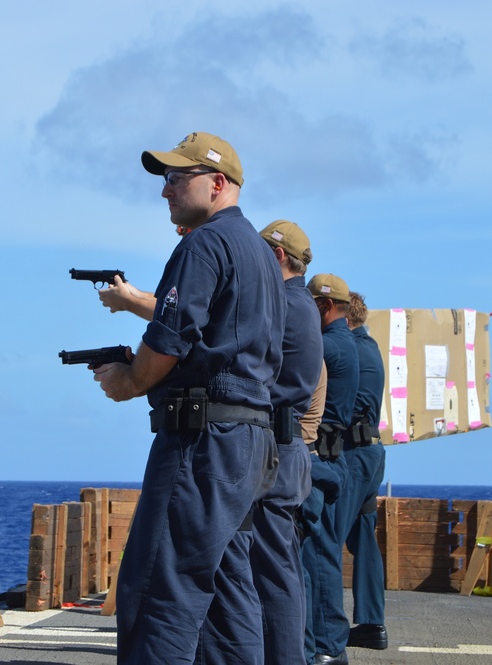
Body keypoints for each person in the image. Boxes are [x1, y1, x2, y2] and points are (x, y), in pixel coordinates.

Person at [93, 131, 286, 665]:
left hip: (202, 441)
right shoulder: (263, 256)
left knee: (159, 588)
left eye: (176, 179)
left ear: (217, 183)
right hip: (248, 441)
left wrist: (129, 381)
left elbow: (171, 337)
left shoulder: (203, 243)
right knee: (227, 592)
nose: (165, 191)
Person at [97, 220, 324, 665]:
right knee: (238, 582)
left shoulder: (270, 289)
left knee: (170, 587)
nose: (167, 191)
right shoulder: (296, 303)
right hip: (262, 442)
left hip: (228, 439)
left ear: (277, 255)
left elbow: (188, 324)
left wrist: (137, 373)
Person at [301, 273, 359, 665]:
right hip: (334, 456)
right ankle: (329, 644)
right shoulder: (350, 343)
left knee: (316, 556)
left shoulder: (324, 346)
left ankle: (325, 646)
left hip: (317, 455)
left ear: (322, 307)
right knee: (325, 554)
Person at [341, 291, 388, 651]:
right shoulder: (370, 346)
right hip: (371, 452)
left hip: (353, 455)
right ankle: (372, 623)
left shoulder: (348, 349)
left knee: (324, 539)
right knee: (364, 538)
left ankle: (319, 627)